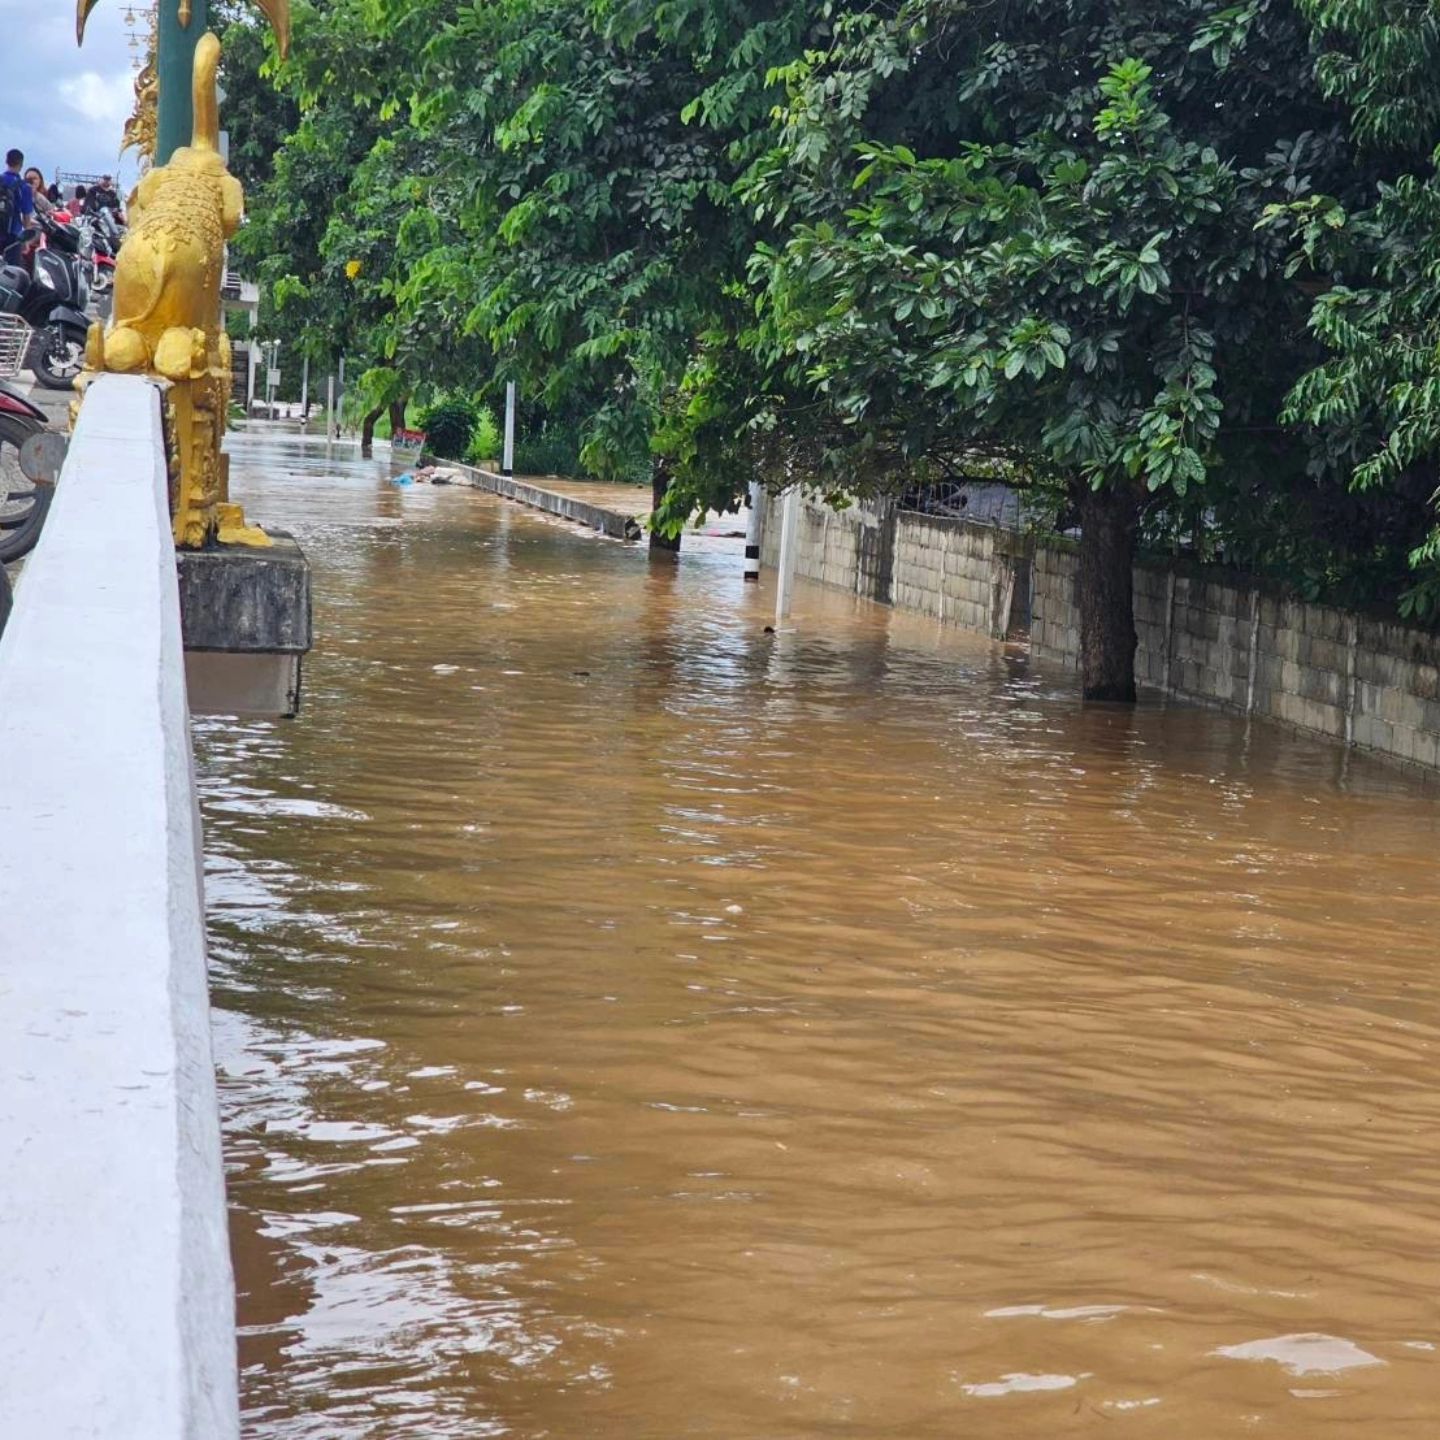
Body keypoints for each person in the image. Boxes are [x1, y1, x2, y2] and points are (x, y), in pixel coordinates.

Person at [0, 149, 34, 266]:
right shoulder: (24, 187)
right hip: (13, 236)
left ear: (6, 161)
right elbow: (26, 218)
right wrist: (27, 241)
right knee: (10, 274)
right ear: (21, 165)